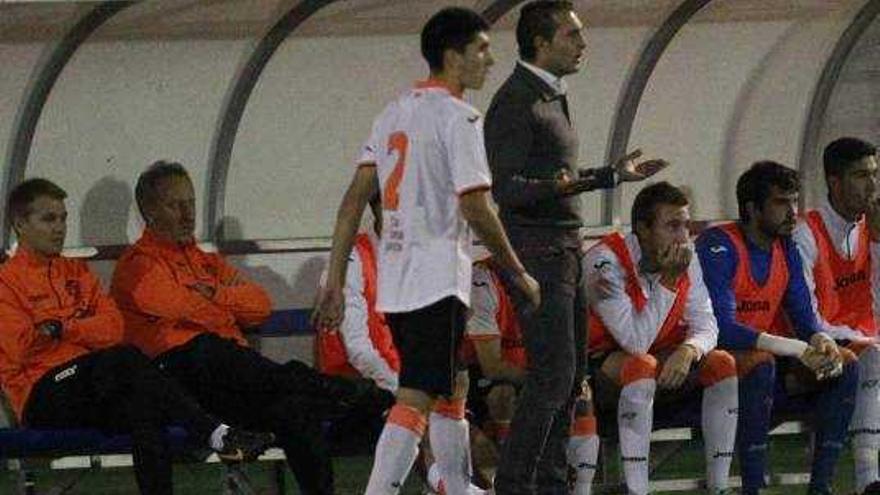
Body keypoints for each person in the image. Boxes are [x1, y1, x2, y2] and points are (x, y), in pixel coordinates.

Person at [312, 7, 540, 494]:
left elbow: (353, 200)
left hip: (397, 278)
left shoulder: (394, 111)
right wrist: (517, 272)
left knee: (450, 384)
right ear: (452, 56)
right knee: (416, 395)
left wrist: (333, 278)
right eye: (481, 49)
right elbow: (477, 207)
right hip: (436, 276)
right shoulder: (459, 118)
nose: (490, 59)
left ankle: (458, 488)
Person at [483, 1, 667, 492]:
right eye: (571, 35)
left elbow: (553, 179)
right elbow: (508, 189)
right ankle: (517, 483)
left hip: (561, 248)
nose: (583, 44)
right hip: (538, 251)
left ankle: (549, 480)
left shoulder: (548, 95)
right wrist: (568, 186)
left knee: (569, 376)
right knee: (552, 376)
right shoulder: (516, 101)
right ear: (540, 43)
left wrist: (609, 176)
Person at [111, 162, 381, 495]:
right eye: (175, 205)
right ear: (150, 211)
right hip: (180, 386)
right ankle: (330, 389)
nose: (187, 213)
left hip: (231, 378)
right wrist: (220, 306)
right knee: (207, 348)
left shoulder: (204, 261)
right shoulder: (137, 265)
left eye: (191, 203)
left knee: (292, 408)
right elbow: (180, 306)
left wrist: (216, 295)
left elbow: (260, 306)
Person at [0, 178, 272, 495]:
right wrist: (82, 328)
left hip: (93, 383)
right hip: (42, 394)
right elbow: (22, 348)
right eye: (48, 219)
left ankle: (211, 442)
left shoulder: (77, 272)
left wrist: (63, 328)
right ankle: (217, 434)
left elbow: (113, 329)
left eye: (63, 218)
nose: (59, 228)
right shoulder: (6, 283)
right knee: (125, 358)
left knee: (144, 407)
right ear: (20, 224)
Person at [696, 161, 859, 495]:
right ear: (752, 209)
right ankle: (753, 488)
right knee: (761, 363)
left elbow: (803, 316)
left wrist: (820, 340)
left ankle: (821, 486)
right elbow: (721, 329)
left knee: (846, 363)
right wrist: (798, 348)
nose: (793, 213)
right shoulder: (718, 244)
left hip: (767, 365)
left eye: (795, 202)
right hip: (715, 368)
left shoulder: (785, 247)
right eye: (782, 203)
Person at [584, 182, 737, 495]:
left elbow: (707, 323)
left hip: (662, 357)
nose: (683, 237)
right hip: (600, 366)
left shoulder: (685, 256)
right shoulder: (603, 263)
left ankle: (719, 487)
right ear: (642, 229)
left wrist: (689, 349)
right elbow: (634, 341)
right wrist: (668, 281)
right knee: (641, 364)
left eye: (686, 226)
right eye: (672, 226)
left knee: (722, 363)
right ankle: (637, 489)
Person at [463, 254, 599, 494]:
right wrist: (550, 381)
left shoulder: (558, 278)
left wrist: (567, 379)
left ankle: (581, 490)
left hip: (537, 374)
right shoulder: (484, 280)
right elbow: (492, 366)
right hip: (482, 379)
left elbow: (567, 346)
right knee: (502, 395)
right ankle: (506, 481)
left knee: (581, 394)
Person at [792, 137, 880, 494]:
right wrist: (859, 337)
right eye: (861, 175)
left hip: (862, 339)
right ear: (834, 181)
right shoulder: (805, 232)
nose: (872, 186)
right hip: (816, 343)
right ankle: (868, 477)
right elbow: (806, 314)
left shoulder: (869, 227)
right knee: (872, 356)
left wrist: (877, 241)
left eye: (874, 174)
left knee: (872, 353)